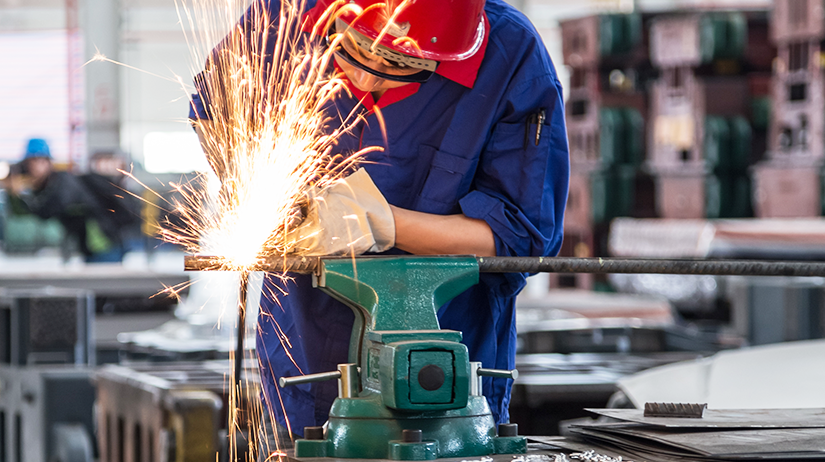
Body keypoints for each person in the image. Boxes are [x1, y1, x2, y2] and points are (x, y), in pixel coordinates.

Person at [190, 0, 569, 441]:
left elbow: (521, 237)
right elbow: (215, 108)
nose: (366, 78)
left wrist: (383, 223)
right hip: (301, 351)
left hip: (447, 364)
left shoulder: (511, 55)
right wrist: (248, 181)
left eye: (398, 64)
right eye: (353, 49)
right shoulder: (285, 15)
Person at [7, 138, 131, 262]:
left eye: (36, 161)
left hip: (104, 244)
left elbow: (46, 211)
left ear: (47, 161)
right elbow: (21, 213)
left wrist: (22, 194)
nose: (31, 168)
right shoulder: (47, 187)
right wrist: (15, 194)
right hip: (91, 246)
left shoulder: (63, 182)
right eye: (28, 164)